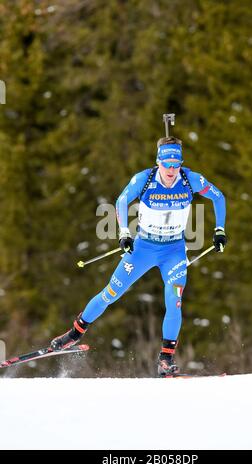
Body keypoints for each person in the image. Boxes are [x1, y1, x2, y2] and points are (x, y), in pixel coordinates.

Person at [50, 136, 227, 376]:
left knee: (174, 300)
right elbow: (122, 200)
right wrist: (124, 233)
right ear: (158, 162)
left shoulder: (190, 179)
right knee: (111, 293)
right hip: (143, 248)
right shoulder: (144, 179)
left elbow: (218, 197)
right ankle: (74, 334)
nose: (172, 171)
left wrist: (219, 230)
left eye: (176, 165)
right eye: (167, 165)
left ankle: (165, 359)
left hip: (174, 251)